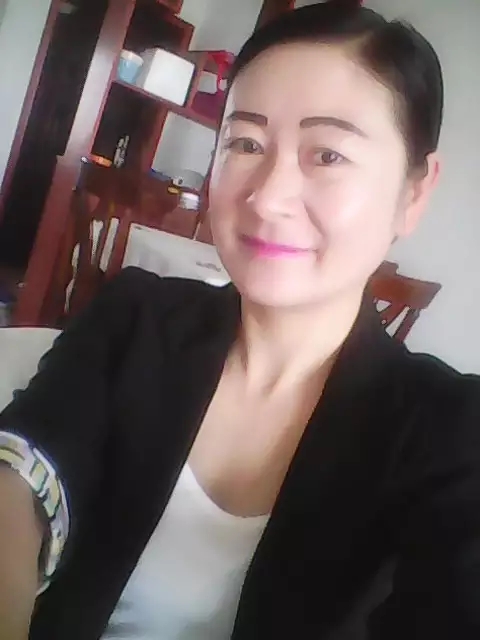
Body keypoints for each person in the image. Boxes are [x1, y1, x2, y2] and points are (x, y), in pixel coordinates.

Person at [1, 2, 479, 639]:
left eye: (328, 155)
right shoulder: (136, 316)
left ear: (414, 192)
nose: (267, 196)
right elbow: (25, 464)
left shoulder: (450, 434)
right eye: (246, 143)